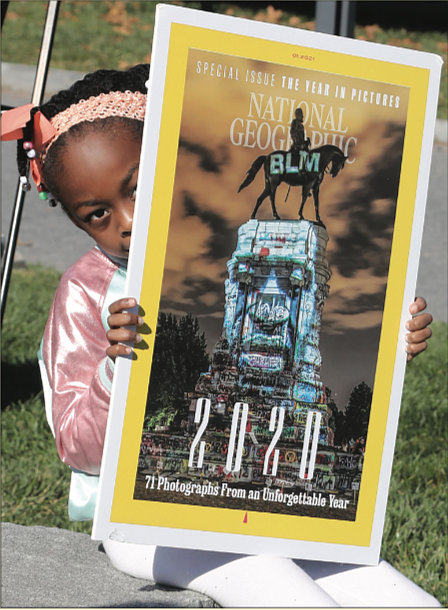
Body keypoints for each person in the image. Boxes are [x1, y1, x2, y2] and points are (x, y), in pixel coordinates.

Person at [1, 65, 438, 607]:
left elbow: (328, 349)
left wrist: (389, 348)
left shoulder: (211, 256)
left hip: (276, 496)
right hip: (151, 522)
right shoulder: (85, 290)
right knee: (283, 588)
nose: (129, 220)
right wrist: (118, 365)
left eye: (138, 185)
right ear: (73, 219)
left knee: (399, 596)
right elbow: (77, 447)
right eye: (97, 213)